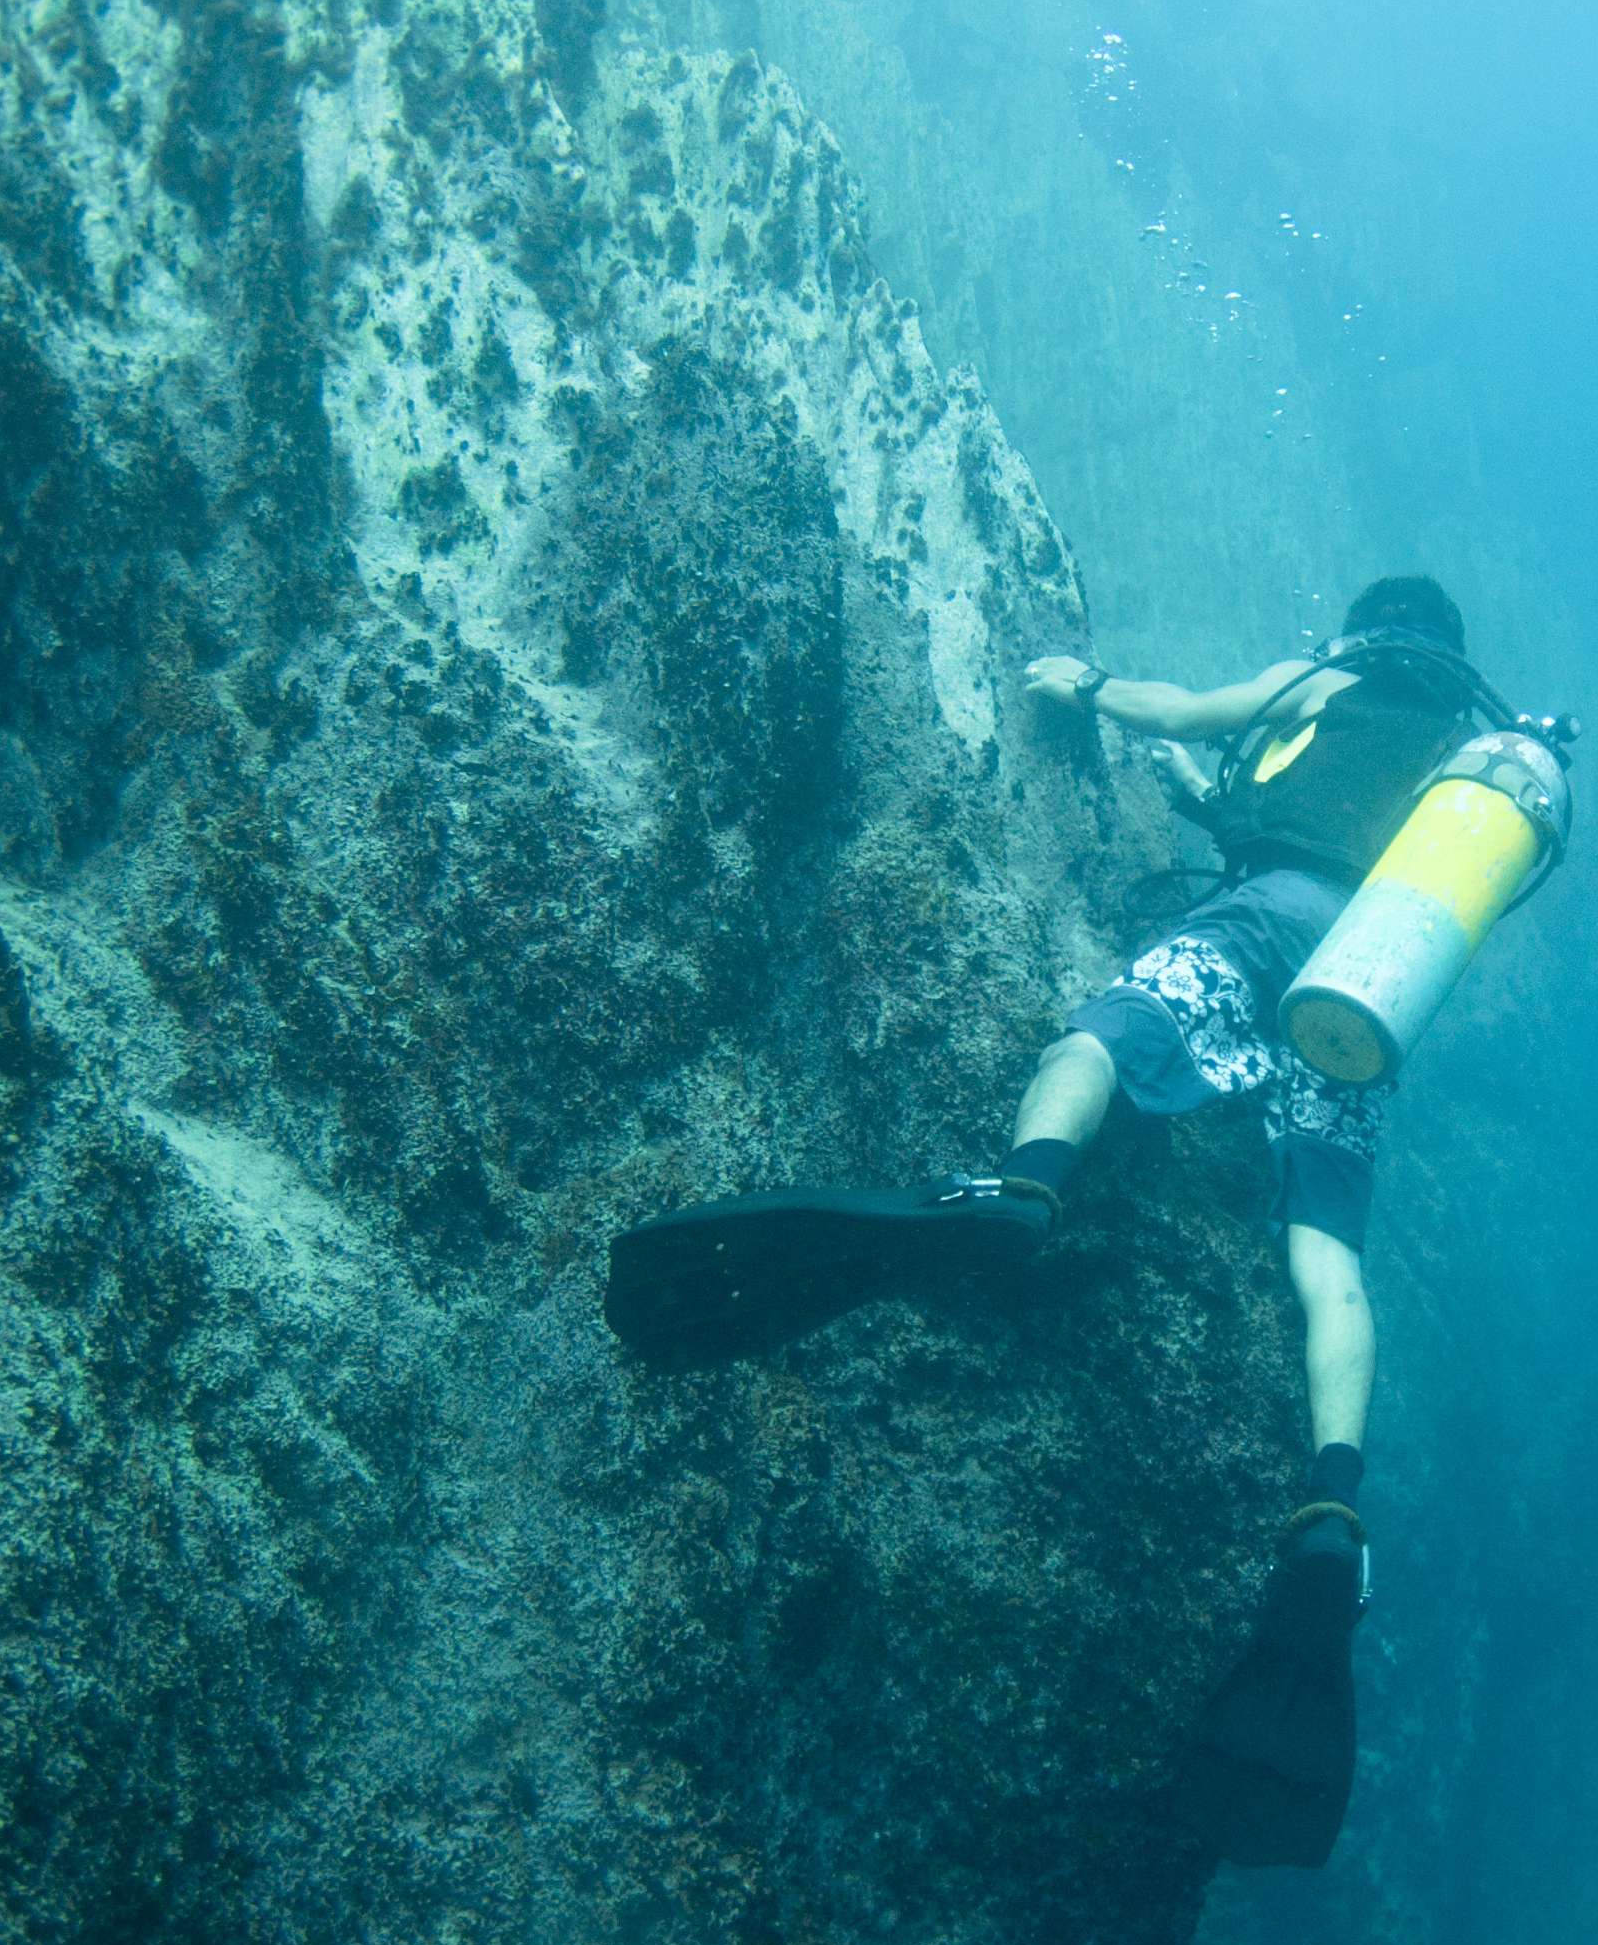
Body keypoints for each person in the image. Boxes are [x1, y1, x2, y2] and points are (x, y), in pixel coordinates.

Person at [604, 576, 1519, 1864]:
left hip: (1266, 924)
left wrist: (1085, 687)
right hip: (1364, 1000)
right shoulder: (1483, 765)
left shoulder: (1333, 677)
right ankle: (1331, 1512)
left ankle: (1022, 1187)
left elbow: (1192, 709)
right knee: (1329, 1257)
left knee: (1093, 1037)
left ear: (1372, 631)